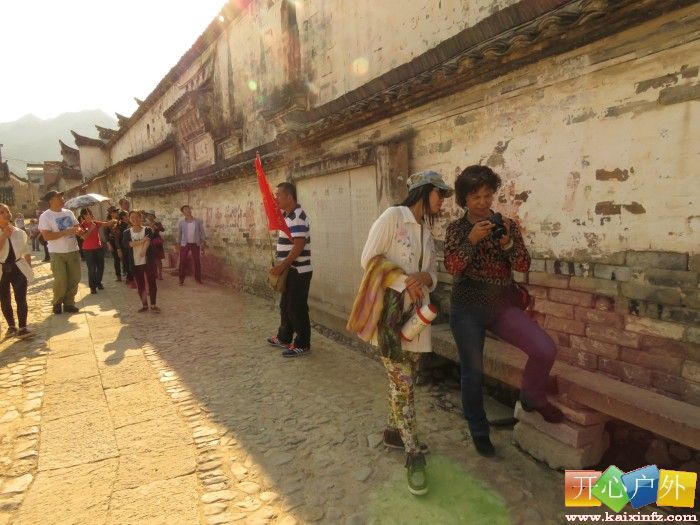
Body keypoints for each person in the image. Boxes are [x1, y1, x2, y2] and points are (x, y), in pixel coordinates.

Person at [444, 165, 563, 458]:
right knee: (473, 372)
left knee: (544, 348)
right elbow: (453, 267)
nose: (482, 202)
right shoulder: (457, 230)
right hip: (467, 308)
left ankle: (532, 397)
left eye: (487, 195)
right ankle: (478, 428)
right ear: (464, 199)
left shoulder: (506, 224)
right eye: (475, 197)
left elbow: (522, 264)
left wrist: (508, 242)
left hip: (501, 305)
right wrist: (471, 240)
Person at [355, 171, 451, 496]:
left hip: (417, 320)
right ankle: (412, 453)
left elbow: (433, 274)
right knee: (403, 384)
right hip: (391, 317)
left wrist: (424, 278)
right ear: (423, 191)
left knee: (406, 381)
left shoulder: (426, 231)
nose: (442, 200)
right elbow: (368, 259)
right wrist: (403, 281)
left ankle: (394, 433)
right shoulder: (392, 218)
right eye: (439, 193)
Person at [37, 190, 82, 314]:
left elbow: (76, 226)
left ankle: (69, 303)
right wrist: (65, 232)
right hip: (57, 253)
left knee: (75, 278)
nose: (63, 199)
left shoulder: (69, 212)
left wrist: (79, 230)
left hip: (73, 250)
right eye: (59, 197)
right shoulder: (45, 216)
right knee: (61, 279)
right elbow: (46, 236)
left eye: (62, 197)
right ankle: (57, 302)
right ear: (51, 200)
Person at [0, 204, 33, 338]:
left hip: (18, 268)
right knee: (5, 300)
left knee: (21, 298)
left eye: (7, 211)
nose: (6, 214)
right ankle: (11, 326)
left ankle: (23, 328)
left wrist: (29, 268)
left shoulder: (20, 232)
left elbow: (26, 252)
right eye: (2, 212)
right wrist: (4, 235)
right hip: (2, 269)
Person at [122, 210, 159, 312]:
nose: (135, 219)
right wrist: (142, 241)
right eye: (132, 217)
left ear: (141, 217)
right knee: (140, 284)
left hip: (148, 260)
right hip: (135, 261)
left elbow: (148, 241)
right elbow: (128, 244)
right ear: (129, 219)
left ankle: (153, 304)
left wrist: (143, 250)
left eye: (137, 217)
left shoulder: (147, 229)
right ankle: (144, 305)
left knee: (152, 282)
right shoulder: (126, 232)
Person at [78, 208, 115, 294]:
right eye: (86, 214)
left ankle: (98, 282)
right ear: (83, 216)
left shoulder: (95, 223)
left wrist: (114, 219)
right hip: (88, 250)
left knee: (101, 267)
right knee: (92, 269)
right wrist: (90, 229)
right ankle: (92, 287)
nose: (88, 216)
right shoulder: (81, 226)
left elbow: (107, 224)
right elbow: (84, 237)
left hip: (98, 248)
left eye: (89, 214)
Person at [176, 205, 206, 285]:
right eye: (185, 210)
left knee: (197, 261)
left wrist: (203, 242)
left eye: (188, 209)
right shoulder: (181, 222)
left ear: (190, 210)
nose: (187, 210)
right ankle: (181, 280)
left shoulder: (198, 221)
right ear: (183, 212)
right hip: (184, 244)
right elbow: (179, 234)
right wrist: (178, 244)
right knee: (182, 261)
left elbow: (202, 232)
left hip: (195, 243)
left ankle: (198, 279)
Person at [115, 210, 135, 286]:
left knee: (126, 263)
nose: (128, 217)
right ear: (123, 217)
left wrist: (118, 249)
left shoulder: (123, 225)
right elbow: (117, 238)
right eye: (127, 216)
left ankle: (129, 278)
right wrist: (119, 249)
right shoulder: (122, 225)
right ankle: (130, 279)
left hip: (126, 247)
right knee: (128, 263)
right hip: (126, 247)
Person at [145, 210, 165, 280]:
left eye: (151, 215)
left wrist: (157, 227)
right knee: (150, 259)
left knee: (158, 259)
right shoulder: (145, 224)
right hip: (149, 242)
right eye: (148, 215)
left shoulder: (157, 223)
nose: (150, 216)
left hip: (157, 243)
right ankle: (154, 273)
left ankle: (160, 273)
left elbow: (163, 230)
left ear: (154, 216)